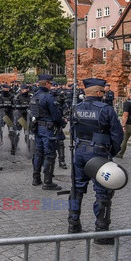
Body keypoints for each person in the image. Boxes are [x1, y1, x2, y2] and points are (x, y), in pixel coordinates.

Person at [68, 78, 123, 245]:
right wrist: (111, 153)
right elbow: (117, 135)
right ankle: (101, 232)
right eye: (103, 92)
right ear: (98, 93)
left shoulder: (76, 108)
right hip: (99, 154)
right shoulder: (106, 110)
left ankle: (73, 224)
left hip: (79, 152)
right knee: (103, 192)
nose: (105, 95)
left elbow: (72, 130)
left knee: (76, 188)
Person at [29, 75, 66, 190]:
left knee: (38, 153)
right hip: (48, 130)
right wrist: (62, 122)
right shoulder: (47, 97)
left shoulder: (34, 96)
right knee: (50, 155)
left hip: (38, 128)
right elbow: (55, 115)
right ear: (47, 84)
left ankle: (36, 178)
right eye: (50, 83)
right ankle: (48, 182)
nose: (51, 85)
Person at [12, 84, 30, 155]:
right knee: (17, 133)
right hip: (20, 117)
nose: (23, 91)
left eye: (25, 89)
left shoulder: (30, 96)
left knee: (27, 133)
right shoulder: (17, 96)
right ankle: (13, 148)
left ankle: (28, 148)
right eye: (22, 89)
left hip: (27, 117)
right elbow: (14, 106)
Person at [117, 89, 131, 159]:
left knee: (124, 139)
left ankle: (120, 153)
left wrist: (123, 125)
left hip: (129, 124)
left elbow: (125, 114)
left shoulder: (127, 103)